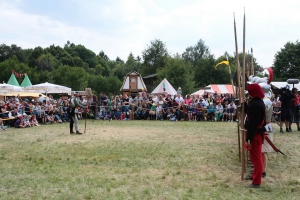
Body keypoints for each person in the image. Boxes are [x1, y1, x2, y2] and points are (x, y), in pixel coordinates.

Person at [243, 84, 266, 188]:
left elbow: (253, 123)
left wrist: (249, 138)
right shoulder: (257, 103)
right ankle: (255, 176)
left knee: (257, 159)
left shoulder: (256, 105)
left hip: (255, 135)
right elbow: (250, 114)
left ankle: (256, 182)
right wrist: (245, 106)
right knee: (255, 158)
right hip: (256, 134)